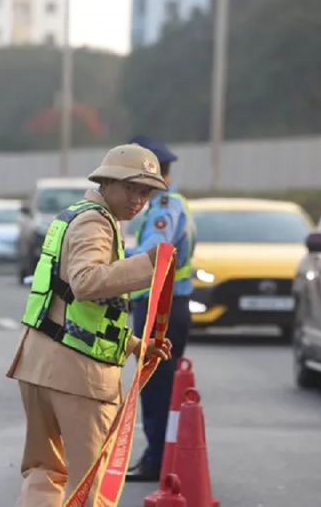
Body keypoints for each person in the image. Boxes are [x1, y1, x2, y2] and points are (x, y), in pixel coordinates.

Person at [6, 143, 174, 506]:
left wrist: (132, 344)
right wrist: (149, 266)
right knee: (91, 484)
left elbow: (74, 305)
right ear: (107, 182)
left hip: (39, 363)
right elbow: (85, 282)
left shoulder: (75, 215)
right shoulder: (96, 222)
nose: (139, 199)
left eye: (145, 191)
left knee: (44, 474)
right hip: (77, 375)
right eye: (131, 188)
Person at [124, 134, 196, 482]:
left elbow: (156, 254)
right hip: (164, 306)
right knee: (159, 387)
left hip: (161, 309)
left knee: (155, 388)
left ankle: (157, 460)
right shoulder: (164, 205)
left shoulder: (164, 207)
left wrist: (111, 260)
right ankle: (161, 456)